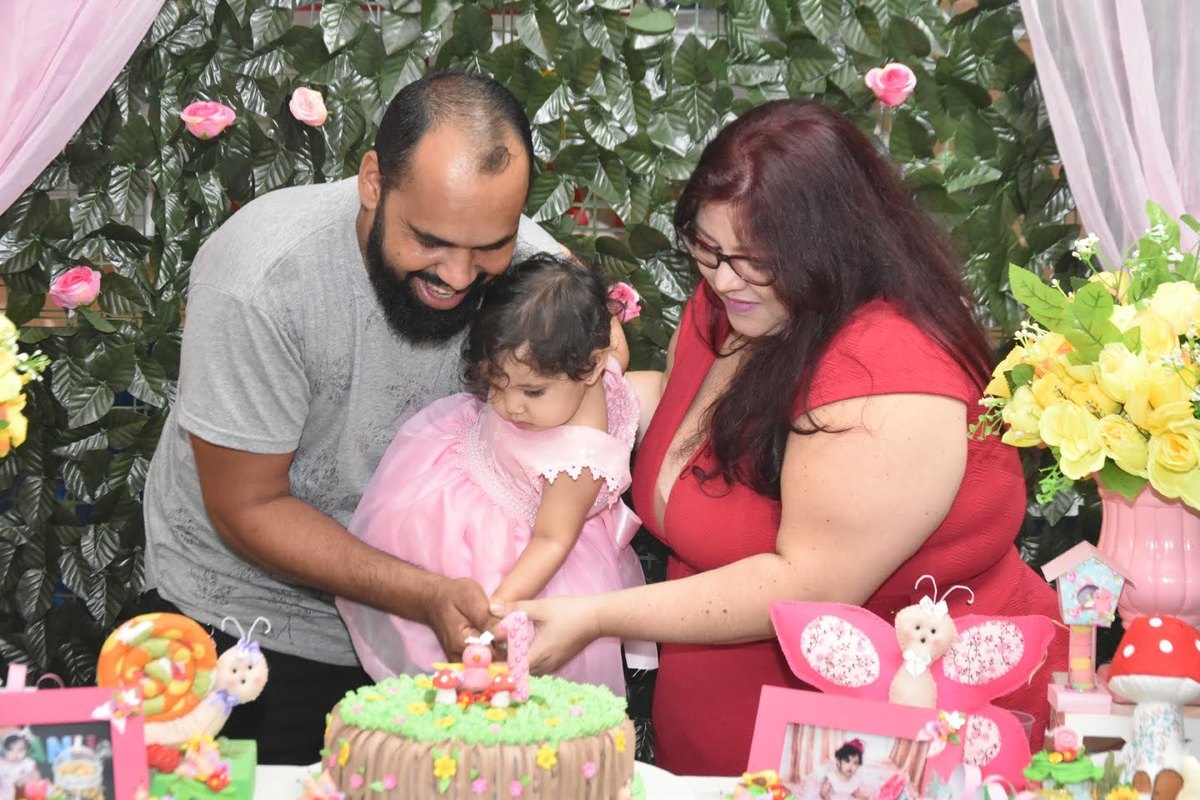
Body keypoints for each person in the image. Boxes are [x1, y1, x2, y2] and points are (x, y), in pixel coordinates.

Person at [493, 99, 1067, 776]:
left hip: (884, 757)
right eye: (706, 248)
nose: (720, 277)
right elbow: (682, 410)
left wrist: (594, 617)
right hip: (722, 750)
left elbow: (809, 583)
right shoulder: (743, 301)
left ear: (828, 248)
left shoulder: (886, 378)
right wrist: (544, 407)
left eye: (751, 259)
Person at [138, 71, 561, 764]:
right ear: (373, 182)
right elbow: (248, 508)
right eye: (430, 240)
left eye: (490, 245)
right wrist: (424, 594)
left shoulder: (529, 267)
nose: (460, 275)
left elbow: (599, 356)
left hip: (439, 640)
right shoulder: (264, 276)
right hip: (250, 631)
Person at [337, 253, 654, 695]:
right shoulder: (582, 358)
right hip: (463, 477)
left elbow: (552, 540)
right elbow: (616, 344)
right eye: (496, 383)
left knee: (467, 677)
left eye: (531, 391)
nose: (509, 406)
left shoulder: (579, 460)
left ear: (591, 366)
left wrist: (496, 611)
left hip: (515, 552)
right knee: (398, 563)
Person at [0, 734, 39, 800]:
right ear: (4, 751)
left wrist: (27, 780)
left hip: (24, 796)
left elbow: (37, 778)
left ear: (26, 750)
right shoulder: (1, 764)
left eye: (20, 750)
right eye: (10, 749)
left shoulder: (28, 763)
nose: (15, 754)